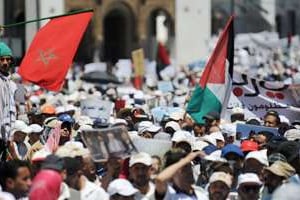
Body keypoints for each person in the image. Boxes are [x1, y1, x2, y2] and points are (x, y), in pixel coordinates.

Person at [0, 42, 16, 144]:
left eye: (8, 59)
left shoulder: (11, 84)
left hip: (6, 136)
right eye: (1, 59)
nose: (5, 62)